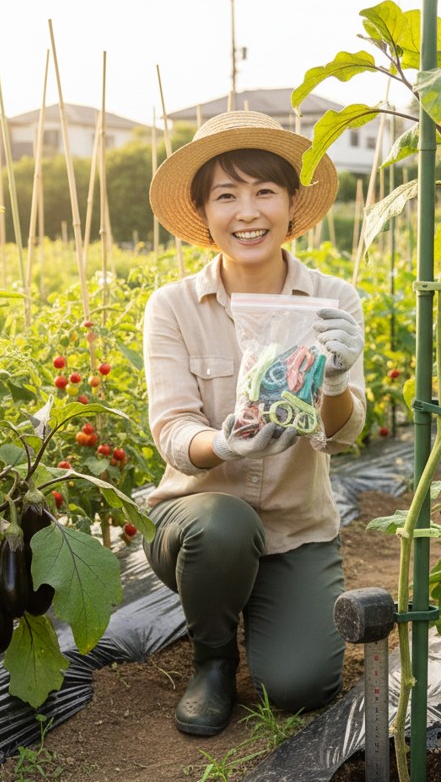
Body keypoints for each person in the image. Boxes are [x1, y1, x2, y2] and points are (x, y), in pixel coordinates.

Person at [143, 110, 366, 736]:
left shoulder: (333, 301)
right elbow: (172, 431)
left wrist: (337, 378)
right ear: (204, 212)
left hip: (297, 527)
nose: (248, 211)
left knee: (301, 685)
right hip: (197, 521)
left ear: (292, 204)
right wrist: (223, 444)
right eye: (227, 195)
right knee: (223, 525)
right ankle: (212, 657)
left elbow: (344, 435)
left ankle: (265, 606)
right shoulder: (174, 307)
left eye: (265, 191)